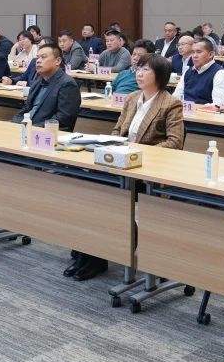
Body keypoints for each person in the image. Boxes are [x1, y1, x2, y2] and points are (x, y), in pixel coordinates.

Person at [67, 54, 187, 281]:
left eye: (146, 70)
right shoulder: (132, 98)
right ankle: (88, 250)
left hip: (145, 172)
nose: (139, 73)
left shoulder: (170, 104)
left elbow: (175, 142)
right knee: (86, 186)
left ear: (160, 76)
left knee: (102, 194)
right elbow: (117, 130)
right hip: (119, 164)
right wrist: (112, 146)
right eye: (138, 69)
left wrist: (135, 153)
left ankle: (96, 257)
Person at [173, 39, 224, 106]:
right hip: (185, 110)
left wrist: (195, 108)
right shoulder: (188, 72)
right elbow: (176, 96)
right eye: (193, 52)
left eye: (199, 52)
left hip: (205, 112)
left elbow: (219, 105)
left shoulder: (220, 74)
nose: (194, 56)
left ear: (211, 54)